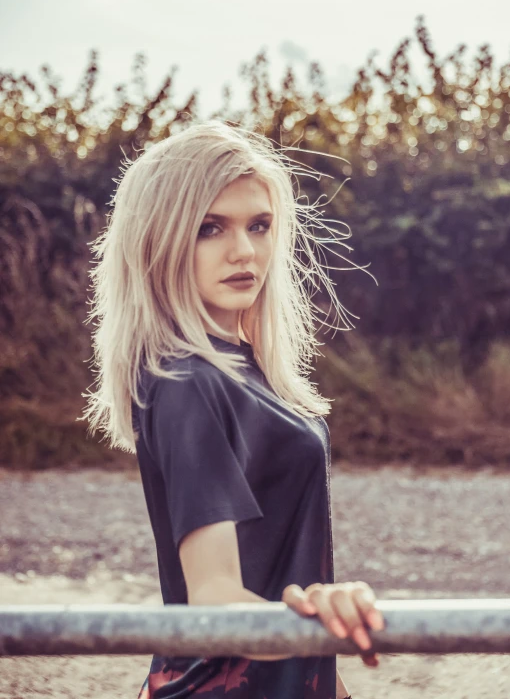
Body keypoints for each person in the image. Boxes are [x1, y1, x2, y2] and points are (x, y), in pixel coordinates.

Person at [82, 119, 385, 698]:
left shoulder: (245, 368)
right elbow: (216, 597)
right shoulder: (184, 380)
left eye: (260, 225)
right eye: (210, 228)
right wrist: (322, 614)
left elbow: (281, 570)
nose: (244, 251)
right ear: (160, 240)